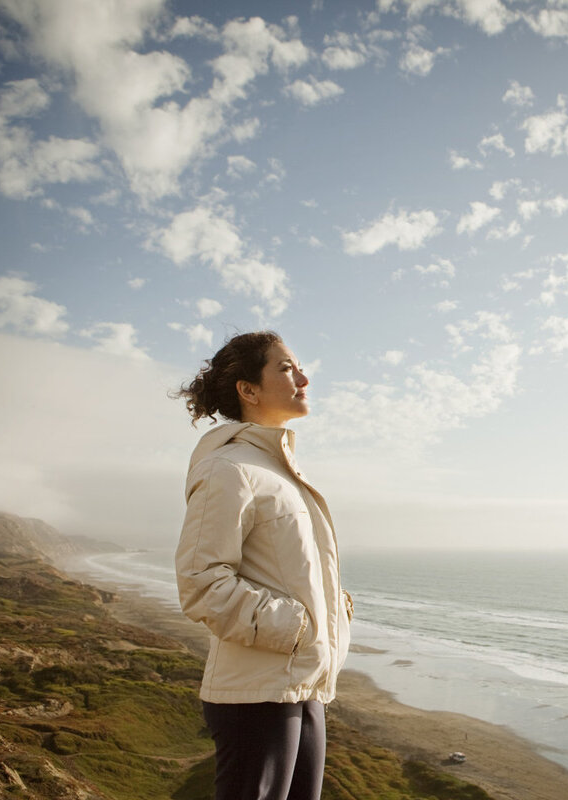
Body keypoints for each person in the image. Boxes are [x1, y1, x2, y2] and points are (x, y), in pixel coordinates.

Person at [173, 331, 351, 800]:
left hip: (301, 684)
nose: (304, 377)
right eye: (286, 368)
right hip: (255, 695)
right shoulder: (227, 469)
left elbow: (284, 568)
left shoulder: (279, 469)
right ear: (248, 391)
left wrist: (332, 605)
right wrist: (297, 625)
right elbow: (200, 582)